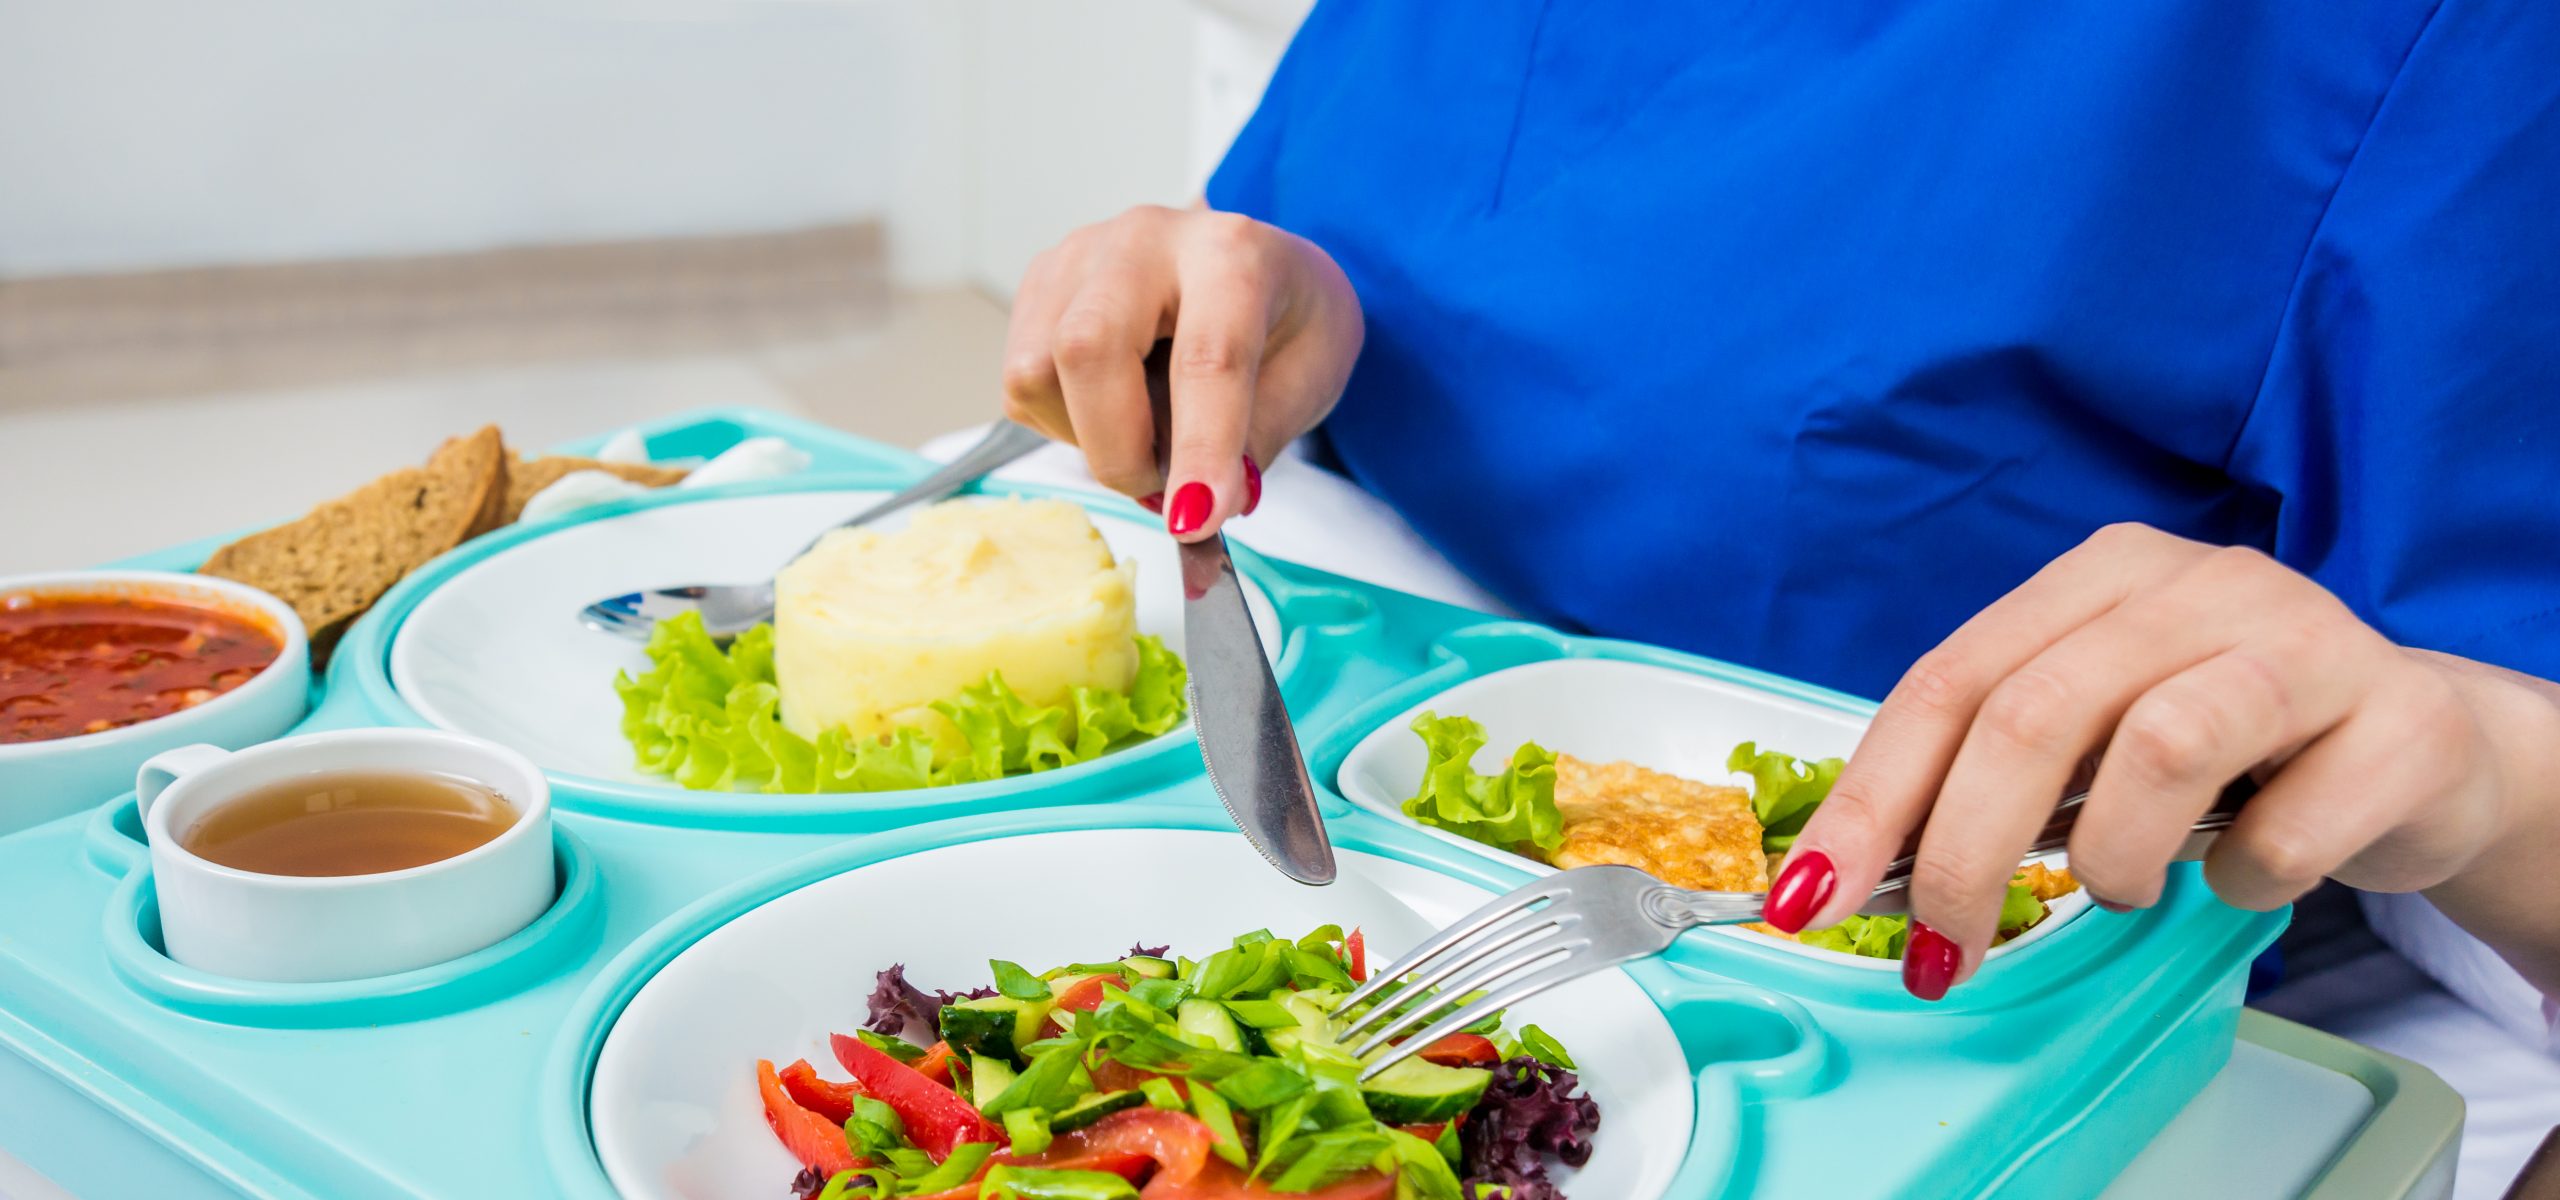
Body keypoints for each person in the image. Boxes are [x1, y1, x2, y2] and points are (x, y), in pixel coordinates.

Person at [996, 0, 2560, 1014]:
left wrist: (2477, 758)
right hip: (1351, 780)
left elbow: (2485, 760)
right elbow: (1420, 198)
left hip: (1915, 1001)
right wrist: (1287, 302)